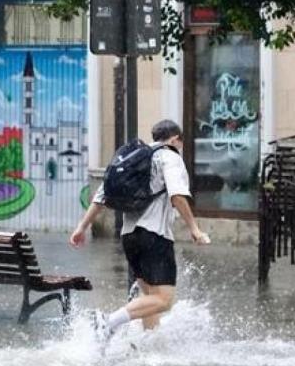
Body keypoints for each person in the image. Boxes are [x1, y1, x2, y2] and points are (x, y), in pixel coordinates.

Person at [69, 119, 210, 342]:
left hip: (129, 236)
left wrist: (81, 227)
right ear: (175, 139)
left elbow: (101, 195)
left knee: (149, 297)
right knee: (164, 299)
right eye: (180, 142)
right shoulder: (170, 157)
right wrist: (194, 228)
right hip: (154, 235)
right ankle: (107, 323)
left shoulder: (134, 158)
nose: (181, 147)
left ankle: (147, 346)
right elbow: (177, 195)